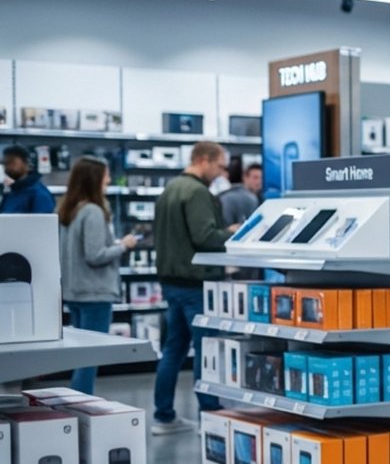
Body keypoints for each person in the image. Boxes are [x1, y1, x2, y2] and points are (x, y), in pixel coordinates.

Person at [152, 141, 233, 433]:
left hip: (171, 282)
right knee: (206, 348)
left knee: (173, 349)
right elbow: (205, 236)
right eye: (220, 165)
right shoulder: (197, 192)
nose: (221, 173)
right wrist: (232, 233)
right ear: (204, 160)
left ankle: (163, 415)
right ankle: (209, 415)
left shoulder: (170, 189)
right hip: (195, 283)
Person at [57, 156, 139, 393]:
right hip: (94, 293)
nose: (109, 179)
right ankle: (82, 407)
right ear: (94, 179)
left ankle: (76, 404)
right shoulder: (92, 211)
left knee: (81, 355)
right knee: (90, 359)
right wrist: (124, 245)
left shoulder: (68, 209)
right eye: (105, 175)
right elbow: (95, 255)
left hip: (75, 290)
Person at [1, 144, 56, 214]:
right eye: (5, 163)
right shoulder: (10, 193)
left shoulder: (39, 194)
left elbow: (43, 223)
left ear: (26, 163)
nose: (8, 167)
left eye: (12, 162)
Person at [217, 158, 262, 227]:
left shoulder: (225, 194)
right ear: (245, 177)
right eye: (255, 177)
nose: (259, 182)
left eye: (261, 178)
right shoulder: (249, 199)